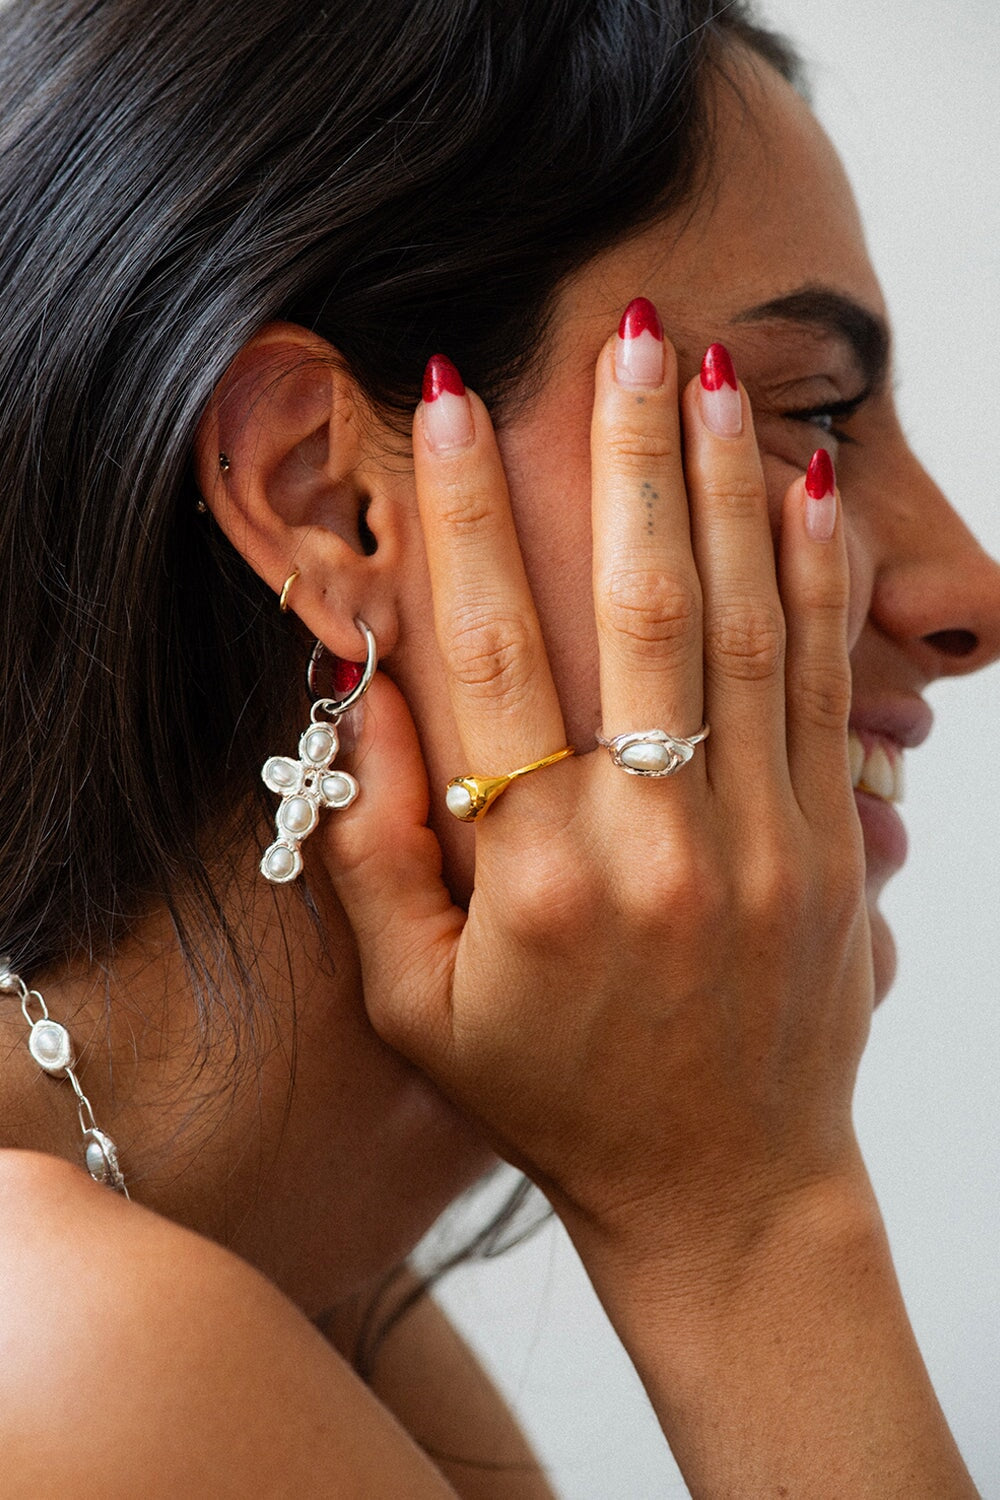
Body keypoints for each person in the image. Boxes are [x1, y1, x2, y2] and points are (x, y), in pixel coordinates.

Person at [0, 0, 995, 1493]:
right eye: (809, 413)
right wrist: (751, 1217)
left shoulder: (310, 1292)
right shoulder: (88, 1355)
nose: (969, 593)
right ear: (335, 504)